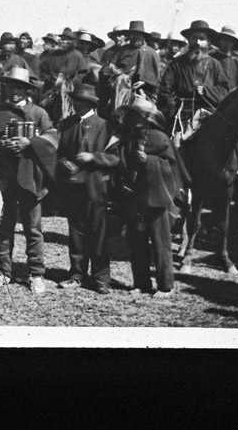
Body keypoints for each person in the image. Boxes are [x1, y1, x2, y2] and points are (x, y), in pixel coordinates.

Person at [76, 97, 186, 295]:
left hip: (156, 198)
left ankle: (165, 286)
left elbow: (171, 166)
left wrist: (149, 161)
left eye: (137, 116)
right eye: (131, 116)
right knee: (136, 241)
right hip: (134, 198)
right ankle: (141, 283)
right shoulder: (127, 138)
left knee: (160, 243)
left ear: (147, 119)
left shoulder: (160, 138)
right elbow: (119, 161)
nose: (133, 120)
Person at [0, 68, 53, 294]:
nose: (15, 92)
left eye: (19, 88)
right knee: (4, 228)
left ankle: (36, 273)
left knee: (33, 229)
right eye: (11, 87)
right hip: (4, 180)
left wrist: (30, 143)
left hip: (30, 178)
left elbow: (53, 140)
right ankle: (3, 271)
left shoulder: (38, 113)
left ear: (27, 90)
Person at [54, 80, 114, 293]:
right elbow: (59, 153)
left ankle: (101, 278)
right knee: (76, 232)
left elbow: (115, 156)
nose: (77, 104)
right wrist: (64, 163)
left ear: (91, 103)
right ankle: (77, 274)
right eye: (75, 100)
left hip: (95, 187)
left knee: (98, 233)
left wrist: (94, 157)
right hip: (73, 187)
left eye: (82, 101)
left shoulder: (104, 126)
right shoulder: (67, 124)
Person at [157, 20, 231, 134]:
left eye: (202, 38)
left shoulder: (215, 65)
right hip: (182, 114)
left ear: (208, 42)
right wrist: (172, 108)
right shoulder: (178, 63)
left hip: (209, 114)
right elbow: (164, 89)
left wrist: (206, 91)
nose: (197, 42)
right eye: (194, 38)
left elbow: (224, 91)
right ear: (189, 40)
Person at [104, 21, 164, 101]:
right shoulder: (121, 50)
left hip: (144, 90)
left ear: (143, 37)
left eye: (139, 34)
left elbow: (156, 76)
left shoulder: (151, 53)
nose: (136, 37)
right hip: (119, 87)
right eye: (133, 34)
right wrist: (114, 70)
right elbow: (111, 65)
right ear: (129, 36)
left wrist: (144, 82)